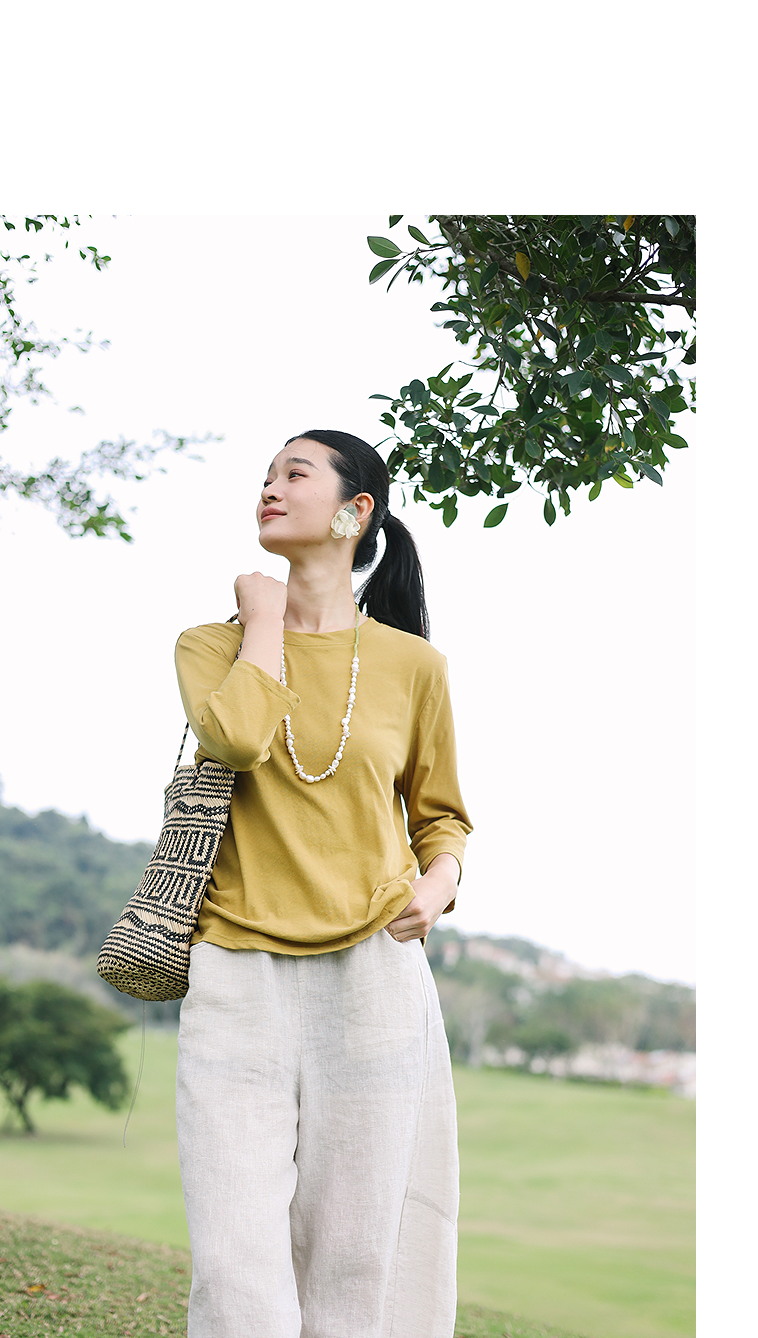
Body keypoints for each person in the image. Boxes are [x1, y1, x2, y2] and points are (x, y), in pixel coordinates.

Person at [173, 429, 473, 1338]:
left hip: (373, 976)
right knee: (234, 1260)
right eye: (265, 475)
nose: (269, 486)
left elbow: (442, 814)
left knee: (352, 1258)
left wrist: (440, 883)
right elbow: (237, 739)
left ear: (355, 510)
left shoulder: (414, 665)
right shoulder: (211, 644)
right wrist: (264, 623)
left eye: (293, 473)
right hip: (235, 971)